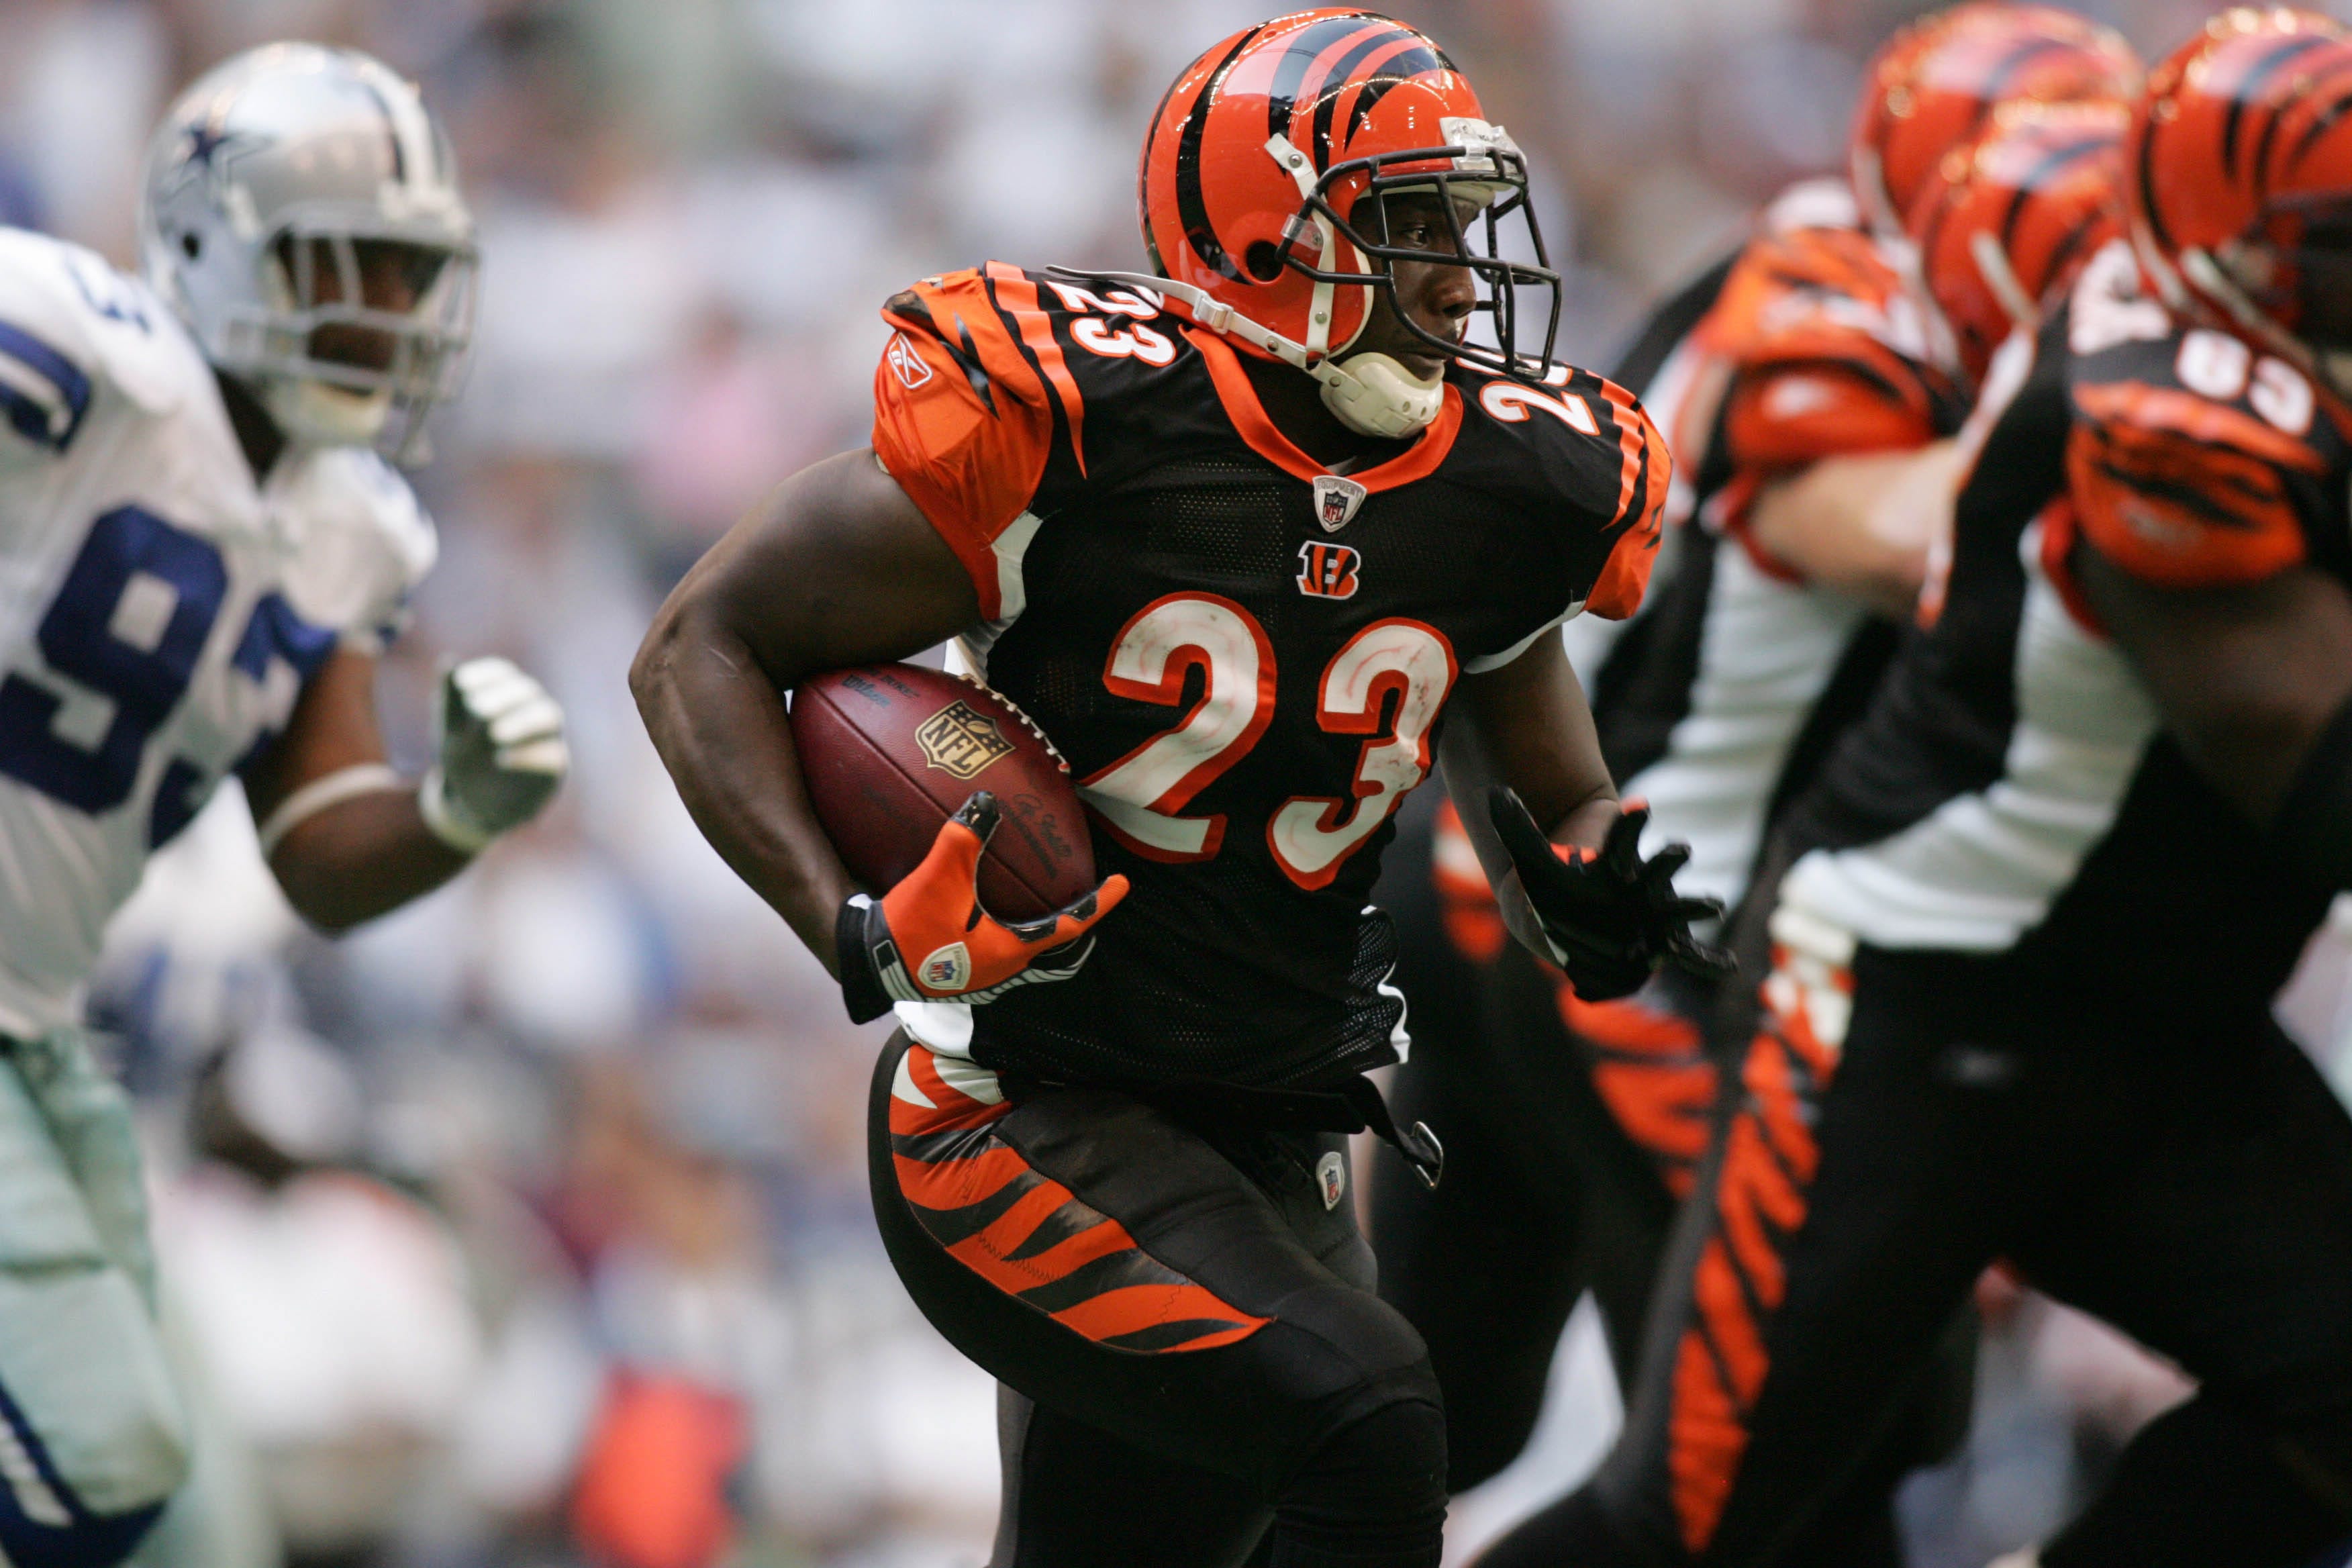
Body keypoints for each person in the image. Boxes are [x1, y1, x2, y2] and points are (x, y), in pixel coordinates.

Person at [631, 11, 1728, 1564]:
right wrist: (851, 921)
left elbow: (1552, 802)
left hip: (1274, 1133)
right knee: (1376, 1414)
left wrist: (1595, 891)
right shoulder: (1095, 422)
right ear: (1270, 231)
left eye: (1461, 223)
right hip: (1024, 1113)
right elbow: (702, 642)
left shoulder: (1496, 486)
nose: (1460, 274)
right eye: (1407, 223)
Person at [1475, 9, 2352, 1566]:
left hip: (2154, 1016)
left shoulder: (2245, 347)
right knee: (1715, 1517)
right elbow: (2308, 755)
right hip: (1904, 1011)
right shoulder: (2154, 407)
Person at [1370, 3, 2135, 1538]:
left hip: (1504, 869)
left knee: (1441, 1419)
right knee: (1794, 1463)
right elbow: (1951, 541)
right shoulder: (1836, 325)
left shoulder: (1797, 261)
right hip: (1620, 934)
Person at [0, 44, 567, 1566]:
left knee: (130, 1485)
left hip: (38, 1023)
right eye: (351, 264)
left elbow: (315, 849)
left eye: (409, 275)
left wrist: (452, 808)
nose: (388, 312)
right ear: (211, 244)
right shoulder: (76, 353)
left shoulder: (351, 532)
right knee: (92, 1454)